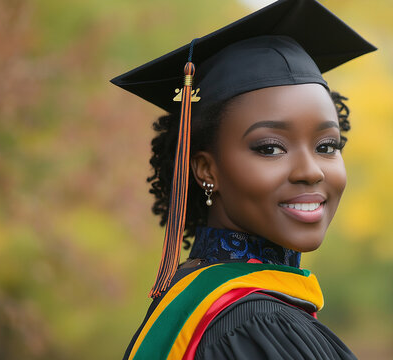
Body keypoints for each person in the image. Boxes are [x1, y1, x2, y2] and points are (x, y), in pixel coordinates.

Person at [111, 0, 375, 358]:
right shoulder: (257, 327)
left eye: (327, 145)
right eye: (270, 148)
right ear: (206, 170)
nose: (311, 170)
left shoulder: (195, 302)